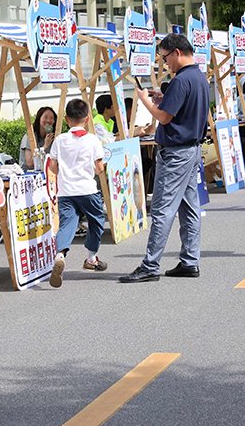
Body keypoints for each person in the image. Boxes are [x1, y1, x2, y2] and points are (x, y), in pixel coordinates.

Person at [119, 33, 209, 283]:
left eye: (166, 57)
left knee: (162, 209)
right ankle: (190, 260)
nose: (165, 63)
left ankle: (150, 265)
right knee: (190, 207)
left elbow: (164, 117)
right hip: (192, 150)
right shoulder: (199, 77)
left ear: (177, 53)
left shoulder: (181, 80)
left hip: (177, 152)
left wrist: (145, 101)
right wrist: (161, 99)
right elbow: (177, 109)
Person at [46, 97, 108, 288]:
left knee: (67, 224)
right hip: (88, 190)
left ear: (66, 119)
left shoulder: (59, 140)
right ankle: (91, 258)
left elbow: (53, 167)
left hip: (65, 192)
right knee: (97, 221)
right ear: (88, 118)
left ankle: (60, 255)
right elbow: (99, 168)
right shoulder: (93, 140)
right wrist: (103, 166)